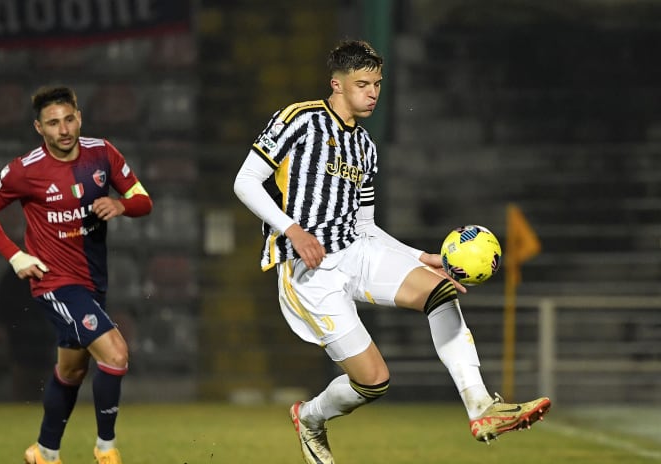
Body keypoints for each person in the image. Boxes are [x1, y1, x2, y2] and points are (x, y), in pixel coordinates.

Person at [233, 40, 550, 464]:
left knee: (440, 290)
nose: (372, 93)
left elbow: (365, 226)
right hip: (308, 268)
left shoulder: (365, 147)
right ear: (337, 85)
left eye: (377, 84)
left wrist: (420, 257)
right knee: (373, 381)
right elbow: (245, 181)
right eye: (362, 84)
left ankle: (480, 406)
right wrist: (293, 229)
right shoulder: (300, 120)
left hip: (356, 249)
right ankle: (310, 417)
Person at [0, 86, 152, 464]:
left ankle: (44, 451)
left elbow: (143, 200)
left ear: (79, 117)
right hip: (55, 283)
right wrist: (15, 256)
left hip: (93, 282)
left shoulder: (102, 153)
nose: (63, 129)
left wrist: (120, 205)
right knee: (116, 354)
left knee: (71, 369)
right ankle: (106, 449)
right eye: (53, 123)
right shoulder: (25, 170)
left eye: (68, 119)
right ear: (39, 128)